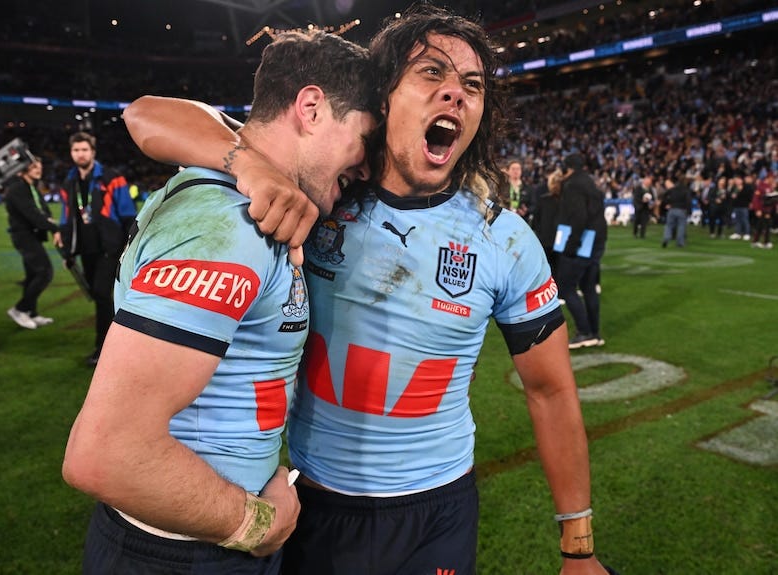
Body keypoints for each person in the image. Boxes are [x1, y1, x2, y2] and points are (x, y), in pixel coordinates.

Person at [123, 6, 614, 575]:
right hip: (317, 500)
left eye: (472, 85)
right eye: (431, 72)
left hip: (437, 512)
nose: (455, 93)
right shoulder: (320, 186)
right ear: (385, 97)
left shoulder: (503, 238)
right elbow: (145, 114)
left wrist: (579, 549)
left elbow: (551, 390)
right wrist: (247, 164)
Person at [62, 30, 377, 574]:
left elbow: (161, 115)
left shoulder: (241, 191)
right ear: (311, 109)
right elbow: (107, 453)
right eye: (364, 138)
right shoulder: (228, 226)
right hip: (185, 549)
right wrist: (255, 524)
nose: (366, 167)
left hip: (194, 531)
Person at [58, 132, 137, 366]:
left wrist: (128, 247)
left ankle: (103, 348)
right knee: (98, 295)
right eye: (76, 150)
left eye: (84, 149)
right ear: (71, 153)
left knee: (102, 294)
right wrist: (68, 251)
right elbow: (66, 217)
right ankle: (119, 339)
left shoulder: (112, 178)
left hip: (109, 248)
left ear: (93, 152)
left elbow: (127, 214)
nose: (80, 154)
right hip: (85, 249)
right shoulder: (69, 181)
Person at [555, 152, 608, 349]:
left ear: (567, 168)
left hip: (582, 241)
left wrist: (571, 245)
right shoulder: (590, 183)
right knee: (588, 288)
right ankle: (594, 333)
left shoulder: (573, 185)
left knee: (566, 287)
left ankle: (584, 332)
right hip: (597, 240)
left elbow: (579, 217)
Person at [4, 157, 62, 329]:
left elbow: (43, 210)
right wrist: (53, 227)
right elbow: (32, 214)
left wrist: (50, 222)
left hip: (33, 235)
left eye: (40, 166)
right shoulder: (17, 188)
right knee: (44, 272)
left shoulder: (31, 187)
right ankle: (20, 309)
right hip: (24, 236)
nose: (38, 169)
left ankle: (31, 312)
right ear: (24, 168)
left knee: (32, 275)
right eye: (34, 166)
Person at [661, 173, 692, 248]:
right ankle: (680, 242)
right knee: (681, 226)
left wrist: (667, 203)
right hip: (682, 210)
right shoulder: (686, 190)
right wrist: (689, 211)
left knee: (669, 225)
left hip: (672, 209)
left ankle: (666, 238)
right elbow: (688, 201)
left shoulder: (673, 189)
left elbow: (664, 195)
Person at [631, 174, 655, 239]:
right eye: (648, 182)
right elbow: (636, 198)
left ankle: (642, 235)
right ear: (644, 182)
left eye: (649, 183)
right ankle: (635, 233)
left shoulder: (650, 189)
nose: (649, 184)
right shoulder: (638, 188)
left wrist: (651, 203)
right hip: (639, 207)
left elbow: (652, 198)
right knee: (637, 221)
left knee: (644, 221)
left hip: (646, 208)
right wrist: (642, 201)